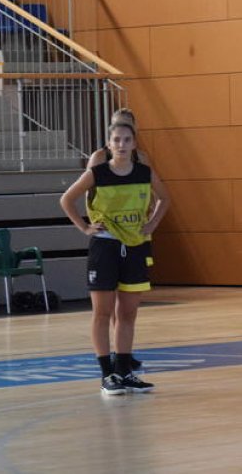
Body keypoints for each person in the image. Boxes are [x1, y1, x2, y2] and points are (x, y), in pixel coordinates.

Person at [61, 121, 169, 396]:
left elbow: (164, 199)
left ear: (134, 144)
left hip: (135, 247)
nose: (121, 145)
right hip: (105, 248)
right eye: (116, 140)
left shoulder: (145, 172)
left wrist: (152, 225)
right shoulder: (97, 173)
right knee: (103, 312)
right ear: (109, 145)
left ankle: (125, 371)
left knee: (128, 313)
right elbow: (67, 199)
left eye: (126, 140)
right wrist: (85, 227)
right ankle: (107, 375)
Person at [86, 107, 152, 373]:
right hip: (107, 235)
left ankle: (124, 354)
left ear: (134, 134)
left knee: (128, 302)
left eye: (128, 131)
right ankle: (110, 359)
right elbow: (90, 192)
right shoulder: (99, 158)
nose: (122, 141)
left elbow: (154, 194)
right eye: (117, 131)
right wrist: (88, 224)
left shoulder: (143, 160)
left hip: (135, 235)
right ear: (110, 134)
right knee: (106, 303)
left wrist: (150, 218)